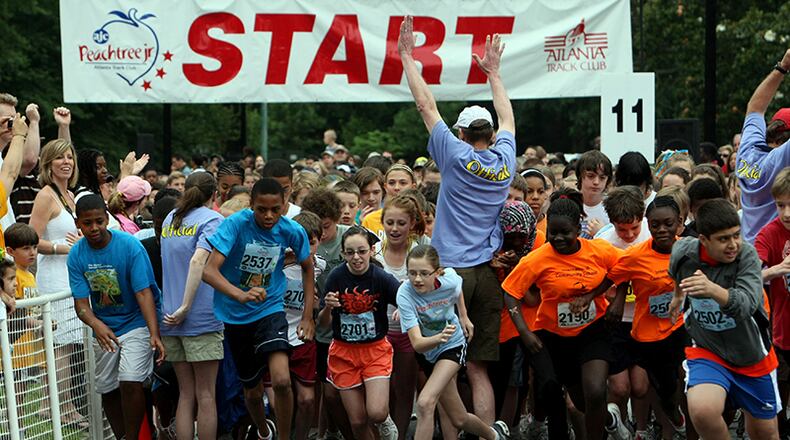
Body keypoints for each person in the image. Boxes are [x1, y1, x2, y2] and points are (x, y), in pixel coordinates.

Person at [400, 15, 516, 426]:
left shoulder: (453, 154)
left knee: (444, 367)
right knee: (479, 369)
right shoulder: (505, 160)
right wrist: (494, 74)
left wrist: (407, 57)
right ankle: (485, 435)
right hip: (487, 275)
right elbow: (507, 117)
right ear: (489, 134)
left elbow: (425, 105)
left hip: (449, 274)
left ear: (463, 135)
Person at [501, 188, 629, 438]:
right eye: (552, 233)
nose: (558, 238)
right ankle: (609, 419)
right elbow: (511, 292)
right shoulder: (537, 259)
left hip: (593, 331)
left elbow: (625, 268)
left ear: (578, 227)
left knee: (594, 391)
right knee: (581, 401)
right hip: (554, 336)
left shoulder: (597, 250)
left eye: (565, 233)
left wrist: (618, 299)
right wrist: (524, 332)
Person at [202, 178, 315, 440]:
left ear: (284, 206)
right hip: (235, 315)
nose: (268, 215)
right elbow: (209, 271)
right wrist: (240, 295)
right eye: (261, 209)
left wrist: (307, 316)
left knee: (282, 380)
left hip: (270, 308)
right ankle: (264, 430)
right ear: (251, 205)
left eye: (275, 209)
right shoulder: (236, 225)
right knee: (252, 391)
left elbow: (308, 266)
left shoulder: (291, 230)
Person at [669, 199, 779, 439]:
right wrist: (678, 296)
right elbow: (675, 271)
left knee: (766, 433)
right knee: (702, 411)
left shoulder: (747, 255)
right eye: (723, 239)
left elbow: (747, 305)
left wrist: (712, 290)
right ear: (703, 240)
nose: (733, 245)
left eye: (736, 235)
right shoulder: (683, 251)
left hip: (751, 354)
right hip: (708, 349)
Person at [68, 194, 165, 440]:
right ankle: (123, 435)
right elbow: (81, 304)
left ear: (107, 219)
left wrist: (154, 333)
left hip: (137, 321)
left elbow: (143, 293)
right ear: (77, 223)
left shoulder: (130, 246)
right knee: (108, 387)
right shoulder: (77, 255)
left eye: (99, 221)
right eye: (87, 223)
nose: (94, 228)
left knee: (130, 380)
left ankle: (134, 436)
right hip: (105, 326)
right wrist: (96, 324)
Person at [397, 245, 510, 440]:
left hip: (452, 345)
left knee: (425, 402)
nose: (417, 279)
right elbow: (417, 343)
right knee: (458, 418)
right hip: (427, 349)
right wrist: (437, 338)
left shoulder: (449, 277)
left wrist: (464, 316)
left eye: (424, 273)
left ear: (437, 272)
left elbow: (457, 289)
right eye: (412, 273)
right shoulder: (405, 294)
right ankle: (494, 434)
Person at [606, 196, 689, 439]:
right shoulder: (635, 255)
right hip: (649, 334)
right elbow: (616, 276)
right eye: (655, 225)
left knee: (689, 378)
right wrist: (599, 297)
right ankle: (673, 415)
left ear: (680, 222)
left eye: (668, 224)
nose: (662, 230)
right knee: (663, 389)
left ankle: (694, 428)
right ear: (649, 224)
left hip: (682, 327)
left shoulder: (689, 248)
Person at [160, 172, 225, 440]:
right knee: (206, 394)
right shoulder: (213, 219)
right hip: (200, 316)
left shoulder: (170, 219)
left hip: (168, 315)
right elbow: (198, 261)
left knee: (185, 392)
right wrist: (186, 305)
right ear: (215, 194)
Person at [319, 226, 400, 440]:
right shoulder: (336, 277)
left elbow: (405, 297)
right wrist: (327, 307)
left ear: (371, 251)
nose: (356, 257)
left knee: (376, 412)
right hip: (343, 353)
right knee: (357, 421)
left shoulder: (380, 277)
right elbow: (324, 324)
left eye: (362, 251)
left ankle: (385, 420)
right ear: (343, 253)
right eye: (350, 252)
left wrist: (402, 307)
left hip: (375, 351)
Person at [28, 138, 87, 425]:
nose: (67, 162)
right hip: (53, 274)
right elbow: (30, 239)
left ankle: (50, 403)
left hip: (71, 274)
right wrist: (63, 248)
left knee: (70, 344)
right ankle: (62, 408)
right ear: (48, 164)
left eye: (70, 157)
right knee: (61, 344)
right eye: (59, 158)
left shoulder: (70, 195)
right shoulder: (45, 196)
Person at [374, 191, 430, 438]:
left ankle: (400, 433)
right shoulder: (374, 251)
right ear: (382, 222)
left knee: (405, 390)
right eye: (389, 223)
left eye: (401, 223)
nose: (395, 229)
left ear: (412, 225)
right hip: (379, 334)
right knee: (385, 392)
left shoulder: (420, 252)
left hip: (409, 333)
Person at [270, 211, 325, 440]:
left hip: (304, 337)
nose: (307, 248)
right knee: (276, 399)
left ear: (319, 241)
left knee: (307, 399)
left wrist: (317, 305)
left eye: (312, 243)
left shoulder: (320, 266)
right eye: (301, 242)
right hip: (276, 335)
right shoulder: (276, 262)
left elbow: (322, 301)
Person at [737, 48, 790, 242]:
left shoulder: (747, 152)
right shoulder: (782, 158)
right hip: (776, 257)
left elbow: (756, 108)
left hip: (748, 255)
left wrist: (782, 67)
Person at [755, 167, 790, 436]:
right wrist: (777, 269)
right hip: (783, 330)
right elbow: (749, 276)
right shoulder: (770, 232)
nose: (786, 213)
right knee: (781, 386)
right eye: (780, 205)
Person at [361, 164, 416, 238]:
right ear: (385, 187)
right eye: (392, 183)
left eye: (403, 183)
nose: (397, 188)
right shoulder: (370, 220)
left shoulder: (421, 219)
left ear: (413, 187)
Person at [575, 150, 613, 239]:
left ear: (608, 180)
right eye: (590, 176)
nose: (596, 182)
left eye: (602, 178)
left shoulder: (614, 207)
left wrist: (602, 232)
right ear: (580, 176)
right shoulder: (569, 205)